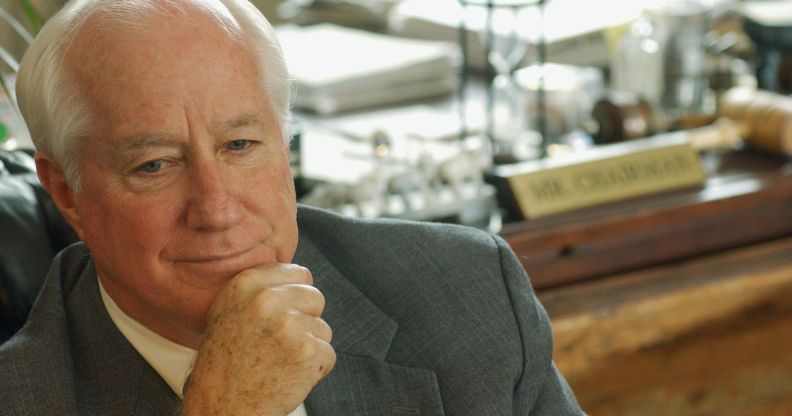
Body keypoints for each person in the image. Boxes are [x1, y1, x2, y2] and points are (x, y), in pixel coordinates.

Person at [0, 0, 584, 414]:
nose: (217, 209)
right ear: (68, 193)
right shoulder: (24, 395)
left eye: (239, 145)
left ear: (285, 145)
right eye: (154, 165)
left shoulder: (465, 292)